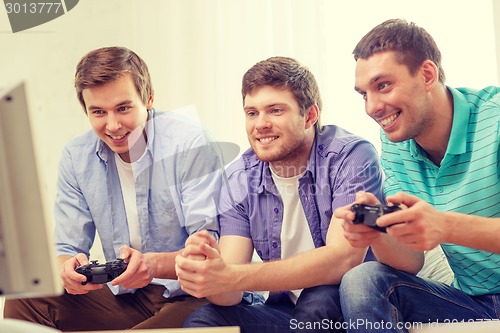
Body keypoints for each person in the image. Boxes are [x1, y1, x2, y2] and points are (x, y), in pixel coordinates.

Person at [4, 46, 223, 331]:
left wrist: (152, 265)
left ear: (149, 99)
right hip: (130, 297)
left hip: (194, 297)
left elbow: (209, 249)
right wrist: (67, 270)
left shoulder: (189, 141)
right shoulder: (76, 155)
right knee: (25, 300)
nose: (113, 125)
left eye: (123, 108)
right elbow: (66, 247)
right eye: (98, 112)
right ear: (85, 110)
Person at [174, 56, 385, 332]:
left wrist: (233, 275)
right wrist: (207, 273)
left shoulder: (350, 156)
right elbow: (229, 292)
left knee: (318, 299)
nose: (260, 124)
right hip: (285, 310)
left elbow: (342, 260)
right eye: (252, 113)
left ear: (310, 116)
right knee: (205, 320)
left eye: (274, 110)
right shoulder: (239, 178)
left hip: (347, 306)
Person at [334, 18, 500, 332]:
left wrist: (446, 226)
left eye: (382, 86)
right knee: (363, 279)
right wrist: (377, 233)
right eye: (363, 94)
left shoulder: (496, 118)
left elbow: (442, 228)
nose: (371, 107)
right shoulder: (396, 143)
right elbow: (411, 261)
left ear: (426, 74)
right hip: (473, 300)